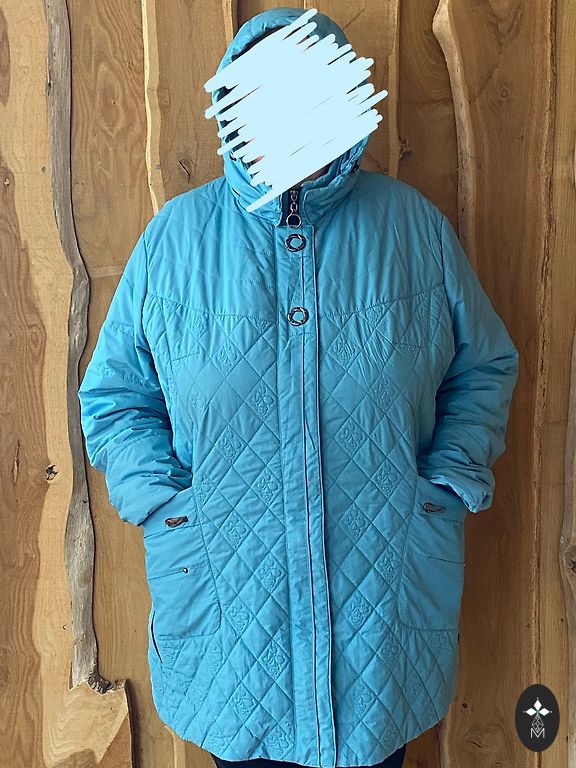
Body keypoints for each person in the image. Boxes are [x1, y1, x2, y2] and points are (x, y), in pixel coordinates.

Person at [77, 7, 520, 768]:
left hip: (380, 618)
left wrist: (445, 481)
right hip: (228, 619)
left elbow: (484, 366)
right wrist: (169, 507)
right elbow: (115, 397)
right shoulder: (175, 243)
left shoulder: (412, 231)